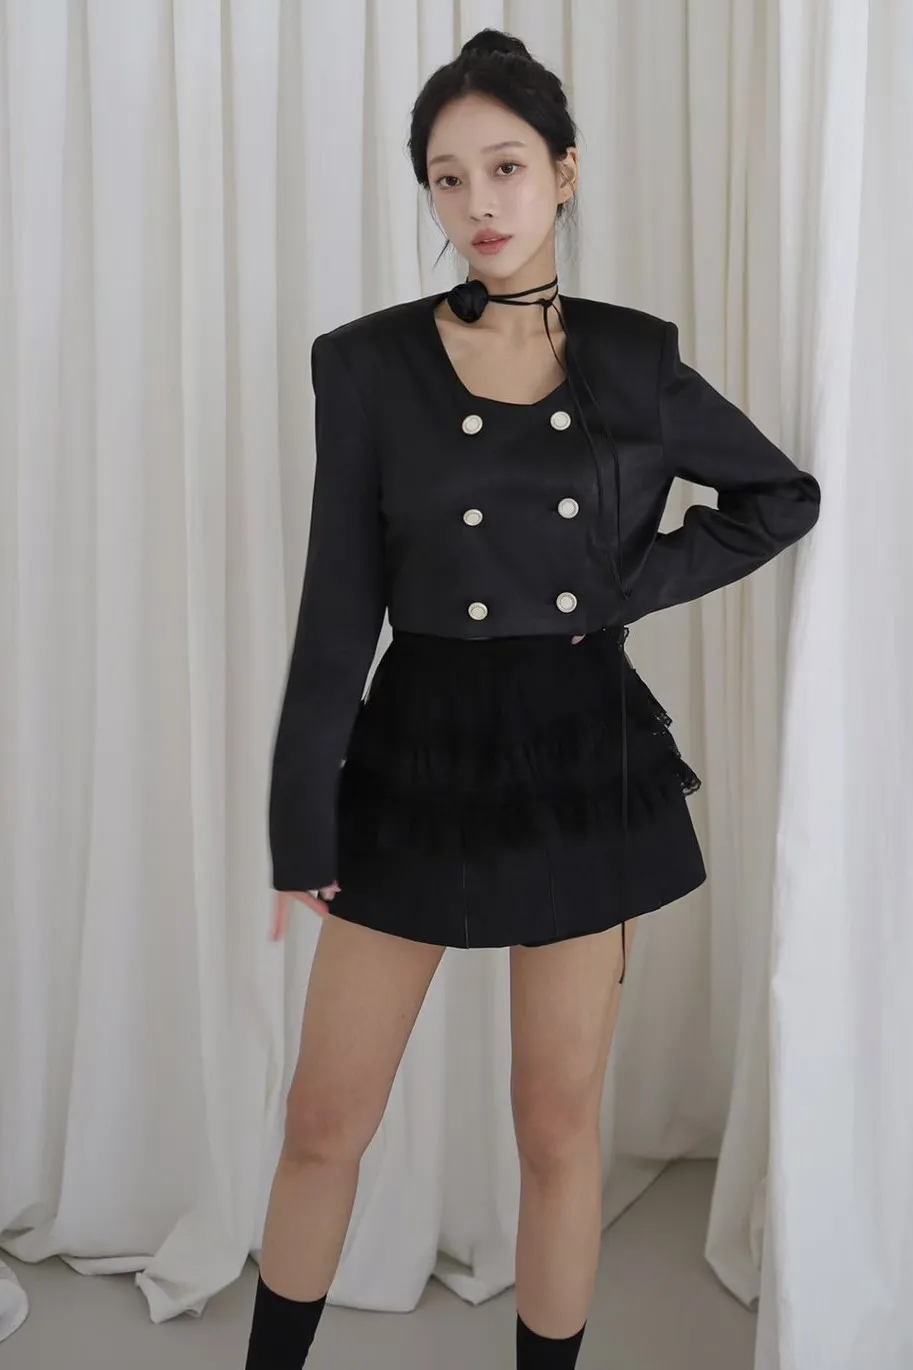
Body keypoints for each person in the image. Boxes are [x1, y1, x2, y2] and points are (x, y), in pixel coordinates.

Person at [244, 28, 820, 1370]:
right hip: (414, 755)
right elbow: (336, 613)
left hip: (580, 755)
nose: (478, 204)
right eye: (447, 179)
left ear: (563, 172)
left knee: (558, 1132)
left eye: (505, 167)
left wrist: (622, 582)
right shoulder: (367, 365)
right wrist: (301, 824)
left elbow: (777, 495)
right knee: (325, 1122)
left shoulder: (632, 359)